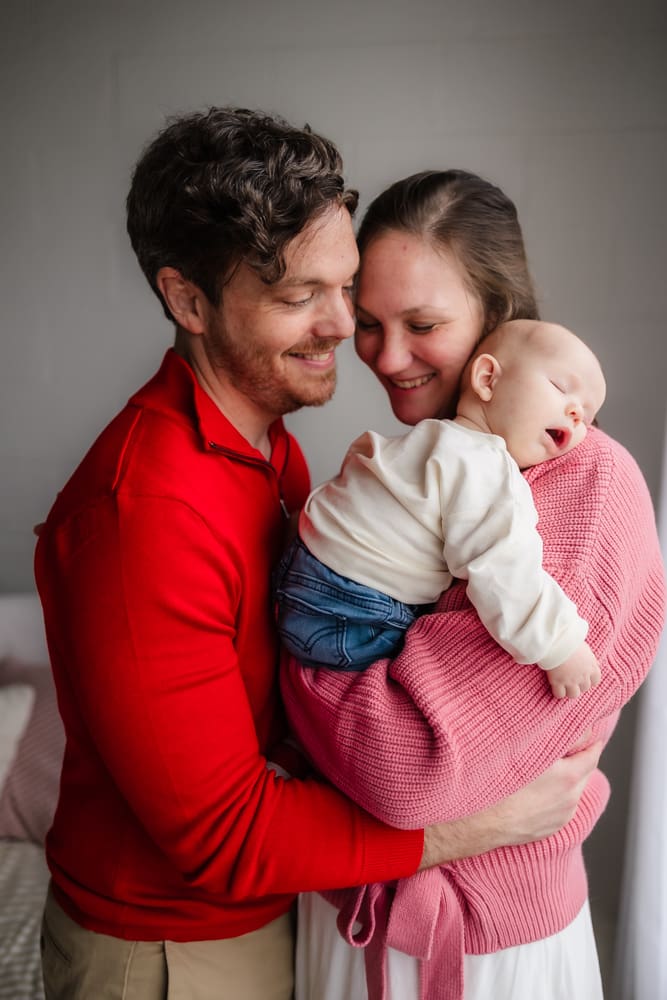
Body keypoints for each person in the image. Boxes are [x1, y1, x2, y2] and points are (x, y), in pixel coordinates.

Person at [32, 112, 601, 1000]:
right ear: (187, 300)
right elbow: (223, 835)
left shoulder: (274, 450)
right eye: (302, 296)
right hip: (169, 955)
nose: (345, 329)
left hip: (285, 913)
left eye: (346, 289)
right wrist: (473, 825)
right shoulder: (140, 517)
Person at [280, 170, 666, 1000]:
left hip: (484, 941)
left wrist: (297, 682)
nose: (385, 358)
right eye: (371, 324)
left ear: (500, 322)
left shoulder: (581, 485)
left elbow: (405, 772)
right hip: (349, 913)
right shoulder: (429, 465)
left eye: (422, 324)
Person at [275, 318, 606, 699]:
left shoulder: (429, 438)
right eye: (562, 388)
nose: (577, 415)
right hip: (355, 609)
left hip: (300, 567)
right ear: (488, 379)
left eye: (588, 412)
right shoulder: (486, 467)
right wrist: (560, 646)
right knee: (391, 691)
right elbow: (505, 571)